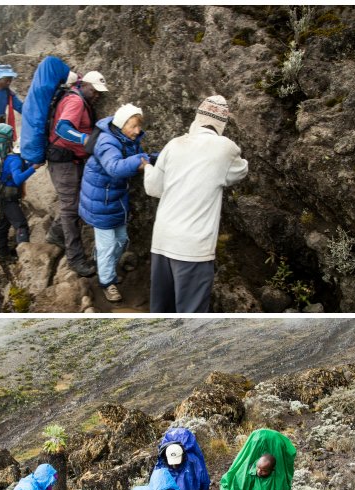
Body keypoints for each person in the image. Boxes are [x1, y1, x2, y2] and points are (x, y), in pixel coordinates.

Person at [144, 95, 249, 313]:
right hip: (193, 248)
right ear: (222, 124)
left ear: (197, 118)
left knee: (161, 313)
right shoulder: (226, 149)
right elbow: (240, 171)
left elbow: (154, 188)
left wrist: (147, 167)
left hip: (162, 241)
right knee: (191, 320)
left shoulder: (174, 144)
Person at [79, 103, 151, 303]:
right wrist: (141, 160)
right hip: (100, 202)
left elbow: (140, 158)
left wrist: (159, 158)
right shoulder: (107, 142)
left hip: (114, 200)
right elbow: (115, 167)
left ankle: (102, 263)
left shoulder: (126, 139)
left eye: (139, 126)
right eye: (134, 126)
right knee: (109, 244)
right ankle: (106, 282)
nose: (138, 131)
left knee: (121, 240)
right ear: (122, 124)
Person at [46, 70, 108, 278]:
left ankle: (55, 234)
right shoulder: (76, 102)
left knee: (72, 204)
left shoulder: (77, 98)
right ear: (83, 85)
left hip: (70, 161)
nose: (97, 95)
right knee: (72, 210)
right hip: (64, 162)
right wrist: (85, 140)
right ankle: (75, 259)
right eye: (95, 90)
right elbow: (63, 128)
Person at [0, 144, 44, 262]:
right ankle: (24, 258)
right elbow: (17, 179)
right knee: (21, 225)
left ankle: (3, 254)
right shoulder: (15, 161)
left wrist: (31, 164)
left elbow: (21, 169)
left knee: (3, 226)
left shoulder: (13, 158)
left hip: (3, 197)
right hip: (8, 199)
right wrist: (34, 168)